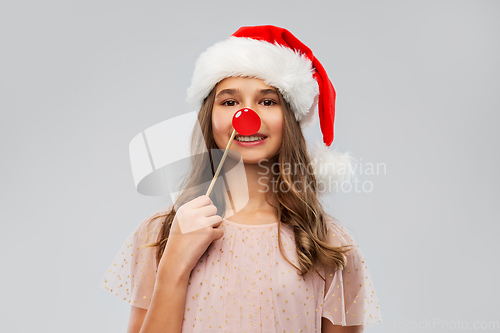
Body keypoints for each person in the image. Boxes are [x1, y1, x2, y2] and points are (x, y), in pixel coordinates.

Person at [98, 25, 382, 333]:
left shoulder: (328, 244)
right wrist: (173, 265)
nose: (246, 116)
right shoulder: (162, 232)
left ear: (290, 119)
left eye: (268, 101)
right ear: (210, 116)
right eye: (230, 102)